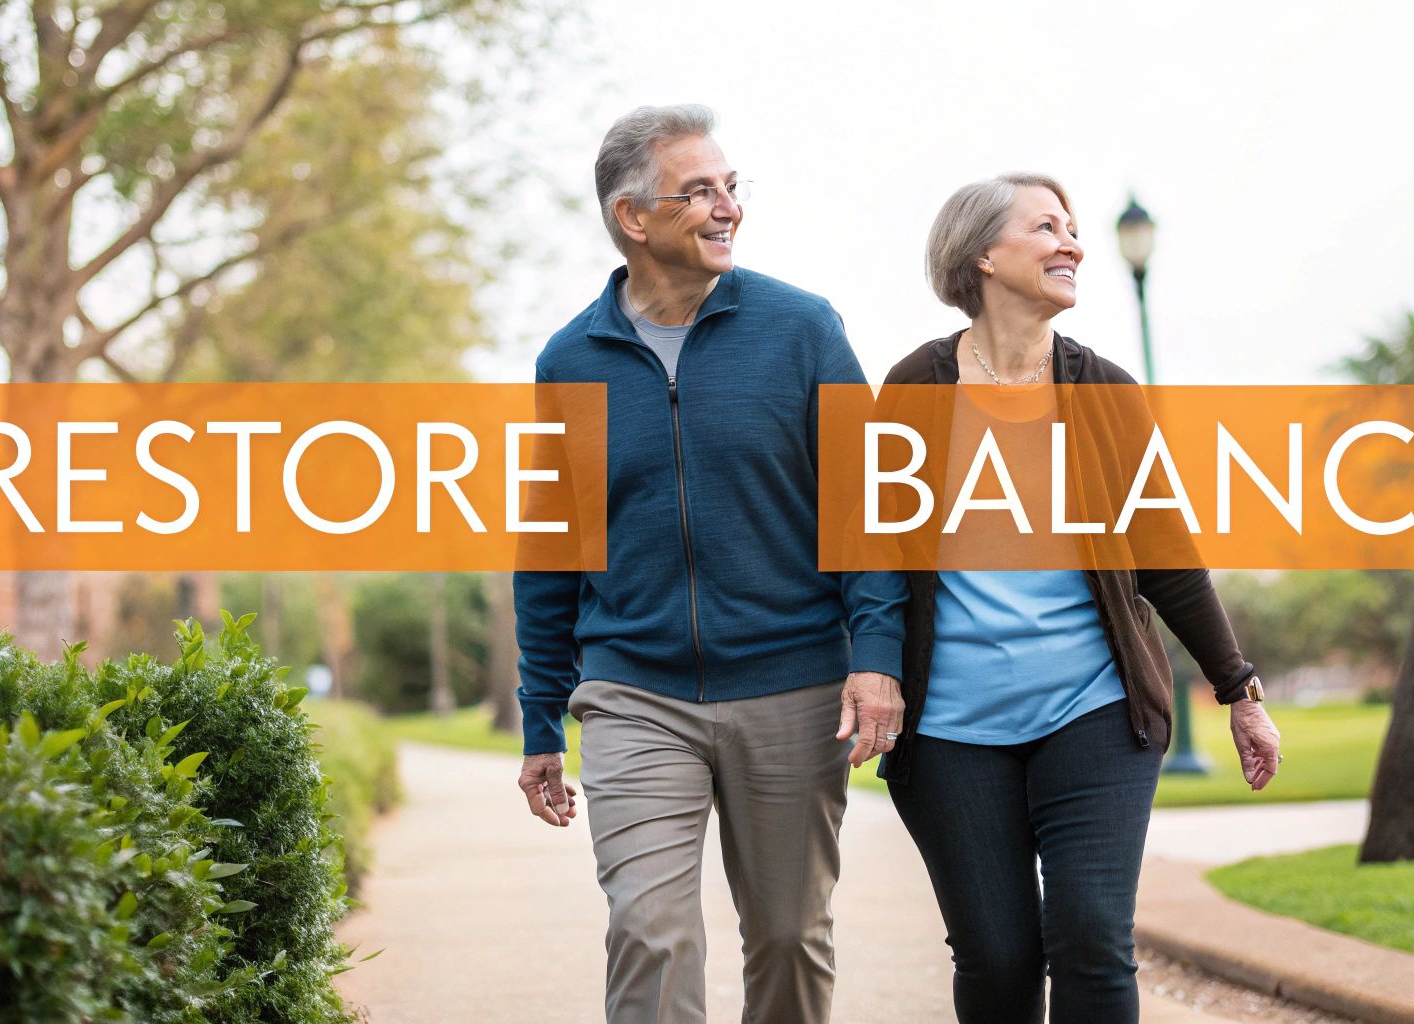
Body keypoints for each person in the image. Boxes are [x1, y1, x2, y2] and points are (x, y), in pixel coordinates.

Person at [512, 104, 909, 1024]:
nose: (726, 206)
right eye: (699, 191)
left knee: (787, 934)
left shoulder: (803, 330)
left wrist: (875, 657)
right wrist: (540, 719)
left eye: (732, 186)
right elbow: (551, 550)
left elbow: (868, 511)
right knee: (650, 931)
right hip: (635, 691)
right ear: (634, 218)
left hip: (793, 682)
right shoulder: (570, 361)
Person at [876, 172, 1284, 1024]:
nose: (1074, 244)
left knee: (1093, 936)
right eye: (1047, 227)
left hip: (1094, 710)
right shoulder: (913, 389)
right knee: (996, 956)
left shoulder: (1103, 391)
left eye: (1074, 228)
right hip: (951, 729)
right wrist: (867, 674)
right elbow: (872, 555)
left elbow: (1167, 554)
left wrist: (1237, 688)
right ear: (984, 255)